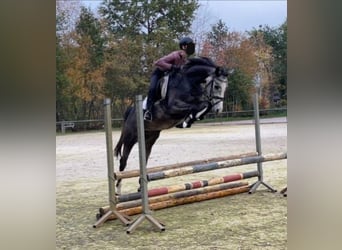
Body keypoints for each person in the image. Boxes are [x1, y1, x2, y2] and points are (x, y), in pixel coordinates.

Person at [143, 37, 195, 121]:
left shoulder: (186, 60)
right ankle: (148, 111)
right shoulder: (175, 55)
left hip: (171, 77)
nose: (192, 48)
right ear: (184, 47)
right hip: (159, 73)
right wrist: (172, 67)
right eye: (191, 46)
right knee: (152, 89)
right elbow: (158, 62)